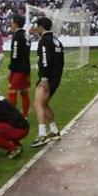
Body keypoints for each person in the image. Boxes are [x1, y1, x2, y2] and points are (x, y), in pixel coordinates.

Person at [30, 17, 65, 148]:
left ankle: (42, 134)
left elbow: (44, 59)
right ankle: (55, 131)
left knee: (37, 104)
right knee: (44, 105)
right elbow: (61, 61)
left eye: (37, 26)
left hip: (47, 78)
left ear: (40, 27)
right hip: (55, 78)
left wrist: (44, 78)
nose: (36, 28)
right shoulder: (57, 41)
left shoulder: (44, 41)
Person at [7, 15, 31, 118]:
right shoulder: (26, 36)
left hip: (18, 69)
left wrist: (11, 69)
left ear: (15, 23)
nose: (11, 24)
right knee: (24, 92)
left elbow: (15, 54)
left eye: (12, 22)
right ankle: (24, 115)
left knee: (12, 91)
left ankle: (13, 116)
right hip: (26, 68)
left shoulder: (17, 37)